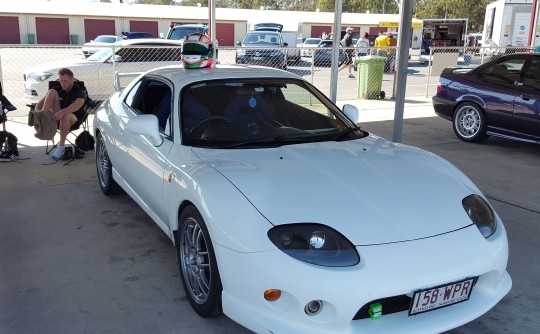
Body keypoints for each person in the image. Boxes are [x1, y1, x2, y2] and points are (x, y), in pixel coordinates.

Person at [33, 68, 86, 160]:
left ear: (72, 80)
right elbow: (38, 106)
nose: (63, 83)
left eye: (65, 81)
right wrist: (38, 111)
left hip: (73, 117)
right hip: (55, 117)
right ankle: (44, 122)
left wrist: (62, 112)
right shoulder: (58, 89)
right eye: (61, 81)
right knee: (52, 92)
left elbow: (78, 104)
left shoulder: (78, 91)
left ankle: (61, 147)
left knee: (64, 116)